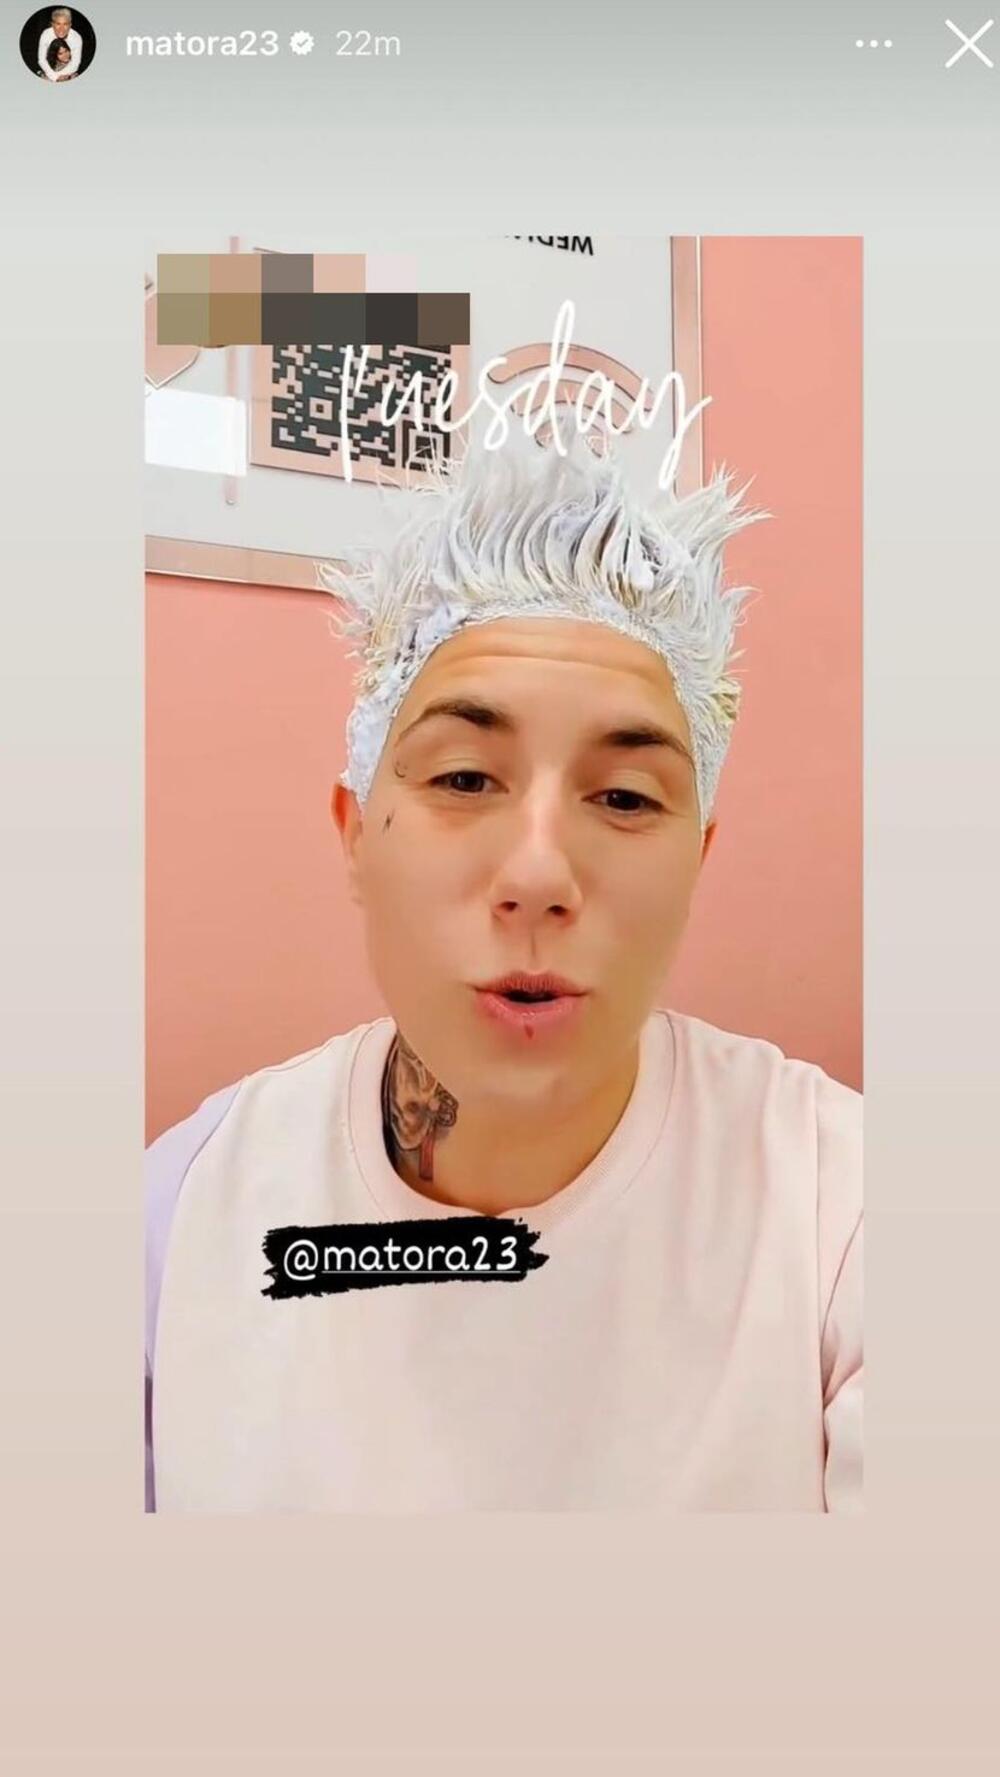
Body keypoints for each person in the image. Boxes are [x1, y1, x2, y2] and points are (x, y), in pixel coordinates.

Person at [145, 437, 863, 1512]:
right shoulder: (183, 1217)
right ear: (355, 836)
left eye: (625, 797)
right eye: (465, 777)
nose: (537, 874)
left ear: (698, 860)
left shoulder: (841, 1210)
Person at [37, 7, 81, 82]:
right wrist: (54, 77)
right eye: (58, 24)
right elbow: (42, 60)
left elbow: (75, 63)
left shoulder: (76, 37)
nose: (61, 29)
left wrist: (58, 76)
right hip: (50, 67)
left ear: (70, 25)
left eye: (65, 24)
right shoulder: (46, 34)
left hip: (68, 70)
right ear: (52, 24)